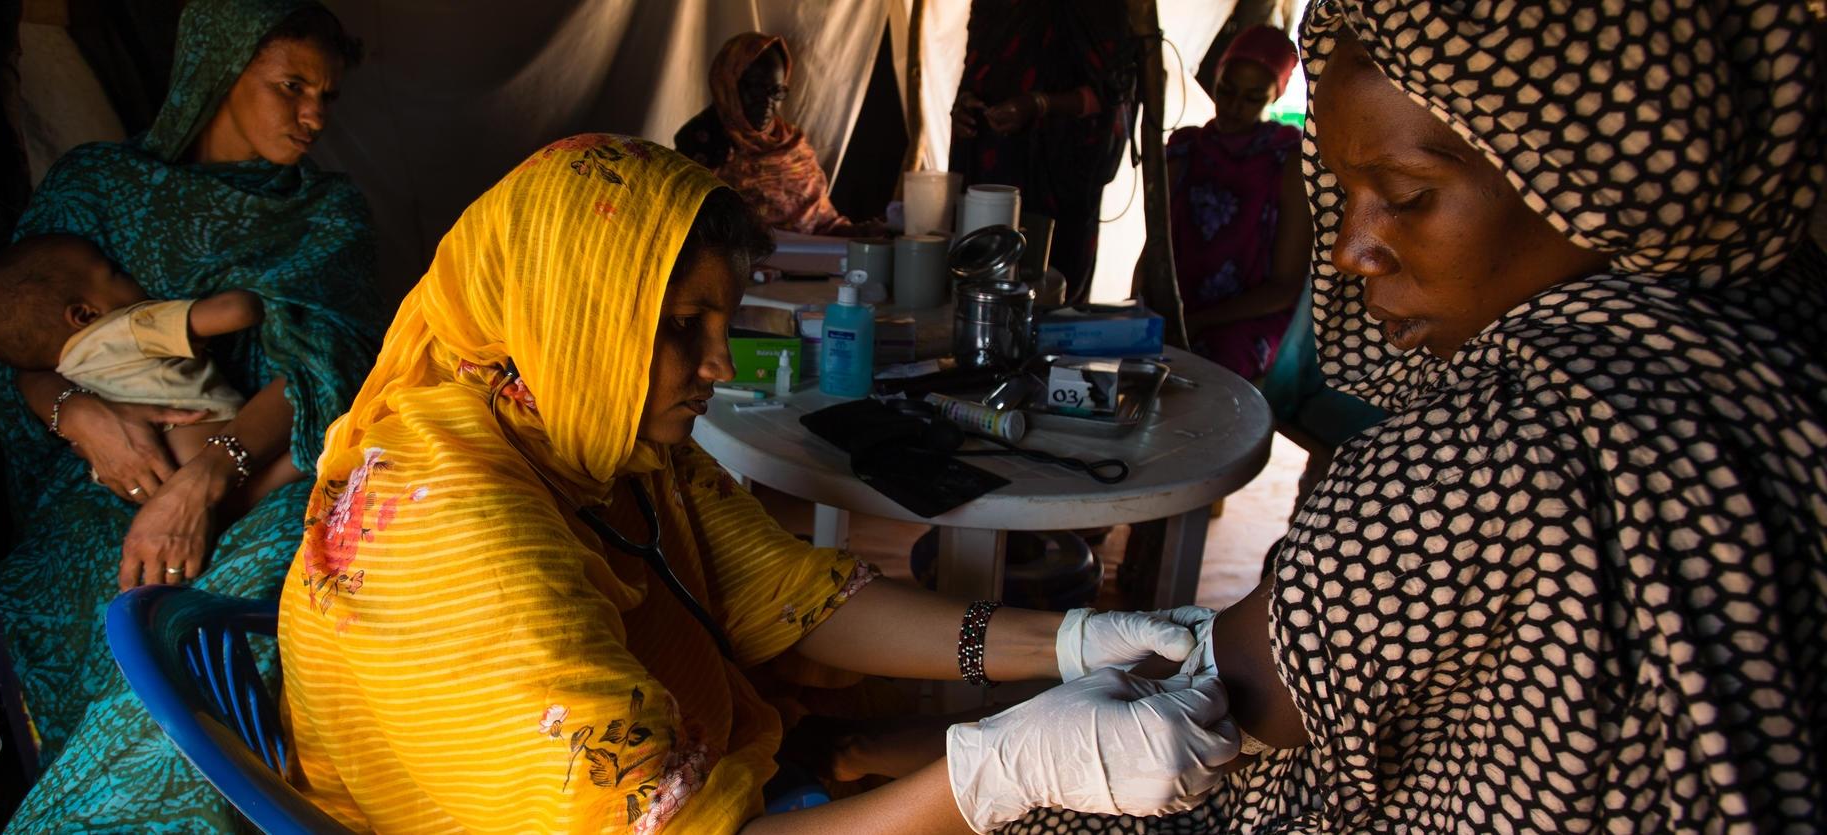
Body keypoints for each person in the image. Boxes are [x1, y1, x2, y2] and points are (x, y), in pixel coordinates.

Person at [1013, 0, 1827, 831]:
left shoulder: (1506, 444)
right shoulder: (1774, 336)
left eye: (1404, 193)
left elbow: (1209, 699)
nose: (1350, 248)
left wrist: (973, 766)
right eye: (1342, 189)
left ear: (1601, 177)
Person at [278, 133, 1241, 834]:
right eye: (680, 328)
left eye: (721, 325)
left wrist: (1066, 642)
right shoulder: (456, 537)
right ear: (569, 313)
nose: (715, 365)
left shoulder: (585, 431)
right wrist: (1002, 769)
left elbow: (795, 599)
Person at [0, 0, 383, 830]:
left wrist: (205, 477)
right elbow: (18, 350)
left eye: (326, 96)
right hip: (103, 476)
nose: (313, 115)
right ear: (218, 69)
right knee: (100, 583)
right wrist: (81, 417)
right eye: (291, 86)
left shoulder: (330, 216)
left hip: (258, 464)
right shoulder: (95, 189)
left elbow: (327, 373)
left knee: (284, 582)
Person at [0, 234, 304, 515]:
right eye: (114, 272)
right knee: (313, 438)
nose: (129, 276)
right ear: (85, 314)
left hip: (151, 486)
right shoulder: (128, 326)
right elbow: (240, 311)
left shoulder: (69, 370)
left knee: (259, 493)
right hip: (203, 443)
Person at [949, 0, 1137, 299]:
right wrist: (962, 108)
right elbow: (977, 68)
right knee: (979, 280)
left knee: (1047, 291)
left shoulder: (1098, 9)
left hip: (1058, 177)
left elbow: (1113, 91)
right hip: (990, 162)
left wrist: (1040, 104)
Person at [1163, 25, 1307, 381]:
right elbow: (1156, 244)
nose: (1233, 107)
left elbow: (1285, 287)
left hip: (1249, 316)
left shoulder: (1288, 159)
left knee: (1211, 370)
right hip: (1178, 303)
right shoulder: (1186, 147)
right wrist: (1144, 306)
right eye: (1226, 90)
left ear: (1275, 96)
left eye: (1252, 97)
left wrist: (1195, 322)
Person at [675, 33, 876, 236]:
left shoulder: (793, 146)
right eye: (755, 89)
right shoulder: (702, 144)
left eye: (776, 91)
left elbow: (823, 224)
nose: (767, 102)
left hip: (808, 264)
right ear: (728, 83)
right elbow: (686, 227)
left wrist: (856, 233)